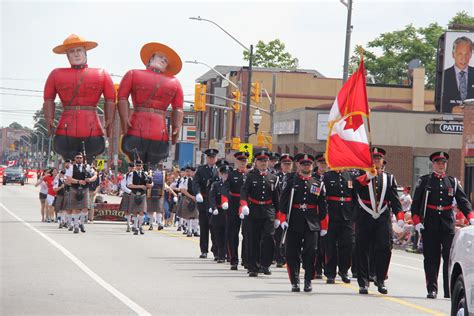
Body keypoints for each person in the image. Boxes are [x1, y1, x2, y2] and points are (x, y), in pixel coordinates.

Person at [411, 151, 473, 299]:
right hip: (430, 224)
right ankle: (432, 288)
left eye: (443, 163)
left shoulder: (452, 182)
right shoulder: (425, 181)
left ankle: (448, 290)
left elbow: (463, 201)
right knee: (431, 258)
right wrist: (417, 222)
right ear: (433, 164)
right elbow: (416, 204)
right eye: (438, 163)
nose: (441, 165)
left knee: (449, 258)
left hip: (447, 224)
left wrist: (470, 217)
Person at [43, 34, 116, 159]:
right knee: (68, 162)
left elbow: (111, 99)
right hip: (65, 131)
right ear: (67, 55)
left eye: (79, 50)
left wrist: (110, 121)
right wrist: (49, 119)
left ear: (85, 52)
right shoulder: (56, 74)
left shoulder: (101, 74)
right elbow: (48, 99)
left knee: (89, 162)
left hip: (93, 131)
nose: (76, 54)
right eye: (72, 51)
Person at [117, 42, 183, 165]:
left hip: (159, 131)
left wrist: (176, 128)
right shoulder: (133, 74)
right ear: (150, 58)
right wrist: (124, 118)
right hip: (137, 125)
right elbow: (122, 97)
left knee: (152, 163)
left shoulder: (174, 82)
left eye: (166, 60)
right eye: (160, 57)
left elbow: (178, 107)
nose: (163, 60)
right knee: (135, 159)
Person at [353, 147, 403, 295]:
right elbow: (355, 186)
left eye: (378, 158)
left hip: (382, 216)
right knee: (362, 249)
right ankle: (363, 282)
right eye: (373, 158)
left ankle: (380, 279)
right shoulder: (361, 174)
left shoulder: (389, 177)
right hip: (365, 215)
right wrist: (367, 176)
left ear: (382, 161)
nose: (376, 161)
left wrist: (400, 218)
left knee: (384, 248)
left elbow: (395, 199)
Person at [280, 153, 328, 292]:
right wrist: (283, 219)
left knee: (311, 250)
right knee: (292, 253)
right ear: (298, 165)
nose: (306, 166)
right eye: (303, 164)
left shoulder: (317, 183)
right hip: (294, 221)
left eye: (309, 164)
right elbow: (283, 202)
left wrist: (324, 225)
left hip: (312, 222)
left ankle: (308, 280)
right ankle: (295, 281)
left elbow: (322, 205)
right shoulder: (291, 181)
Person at [240, 150, 280, 277]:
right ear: (256, 162)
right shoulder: (250, 176)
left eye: (265, 161)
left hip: (268, 210)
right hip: (254, 210)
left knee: (269, 237)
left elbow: (277, 198)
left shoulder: (273, 178)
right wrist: (244, 205)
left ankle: (266, 264)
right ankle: (253, 266)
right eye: (261, 161)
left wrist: (278, 216)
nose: (263, 163)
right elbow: (244, 192)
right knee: (253, 239)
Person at [320, 152, 356, 284]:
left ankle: (344, 270)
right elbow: (322, 198)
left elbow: (354, 197)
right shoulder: (327, 177)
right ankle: (330, 273)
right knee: (330, 246)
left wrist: (354, 214)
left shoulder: (350, 176)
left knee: (347, 245)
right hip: (331, 214)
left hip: (346, 215)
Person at [193, 149, 219, 259]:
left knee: (215, 227)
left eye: (213, 157)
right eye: (210, 157)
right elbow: (196, 183)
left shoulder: (219, 169)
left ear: (216, 158)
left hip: (215, 203)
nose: (211, 159)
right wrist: (197, 193)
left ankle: (216, 250)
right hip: (203, 201)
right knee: (204, 227)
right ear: (207, 158)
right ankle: (204, 250)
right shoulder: (201, 170)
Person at [226, 151, 249, 270]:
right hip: (234, 205)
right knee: (233, 234)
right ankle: (233, 259)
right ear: (236, 162)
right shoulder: (231, 174)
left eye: (244, 161)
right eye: (240, 161)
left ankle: (246, 259)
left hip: (247, 207)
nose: (242, 163)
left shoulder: (250, 175)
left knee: (247, 234)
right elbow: (226, 188)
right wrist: (225, 200)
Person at [441, 36, 474, 113]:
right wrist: (451, 109)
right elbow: (438, 101)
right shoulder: (443, 76)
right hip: (449, 121)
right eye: (460, 54)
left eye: (467, 54)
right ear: (453, 54)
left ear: (471, 55)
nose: (464, 58)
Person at [273, 154, 294, 268]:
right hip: (278, 208)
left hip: (290, 208)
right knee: (278, 234)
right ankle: (279, 257)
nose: (287, 166)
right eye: (285, 164)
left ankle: (287, 256)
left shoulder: (294, 177)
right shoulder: (276, 177)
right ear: (281, 165)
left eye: (289, 164)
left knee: (290, 234)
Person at [209, 164, 232, 263]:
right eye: (224, 174)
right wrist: (213, 208)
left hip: (229, 212)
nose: (226, 176)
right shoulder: (216, 185)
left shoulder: (232, 185)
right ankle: (220, 254)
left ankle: (228, 254)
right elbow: (212, 197)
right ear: (220, 174)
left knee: (228, 234)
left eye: (227, 174)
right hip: (218, 212)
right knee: (218, 234)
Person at [127, 160, 153, 235]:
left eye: (140, 165)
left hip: (142, 195)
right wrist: (140, 186)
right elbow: (129, 185)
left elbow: (151, 184)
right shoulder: (131, 174)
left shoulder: (145, 174)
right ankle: (135, 227)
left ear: (141, 166)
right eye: (137, 165)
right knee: (135, 212)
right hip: (134, 194)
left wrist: (149, 185)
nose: (138, 167)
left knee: (141, 212)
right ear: (135, 166)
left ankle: (140, 226)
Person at [120, 163, 134, 232]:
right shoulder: (125, 176)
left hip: (136, 194)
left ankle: (134, 225)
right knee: (127, 211)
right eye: (130, 168)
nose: (131, 169)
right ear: (128, 168)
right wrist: (130, 191)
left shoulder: (137, 175)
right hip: (127, 194)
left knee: (135, 210)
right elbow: (123, 186)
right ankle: (128, 224)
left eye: (132, 168)